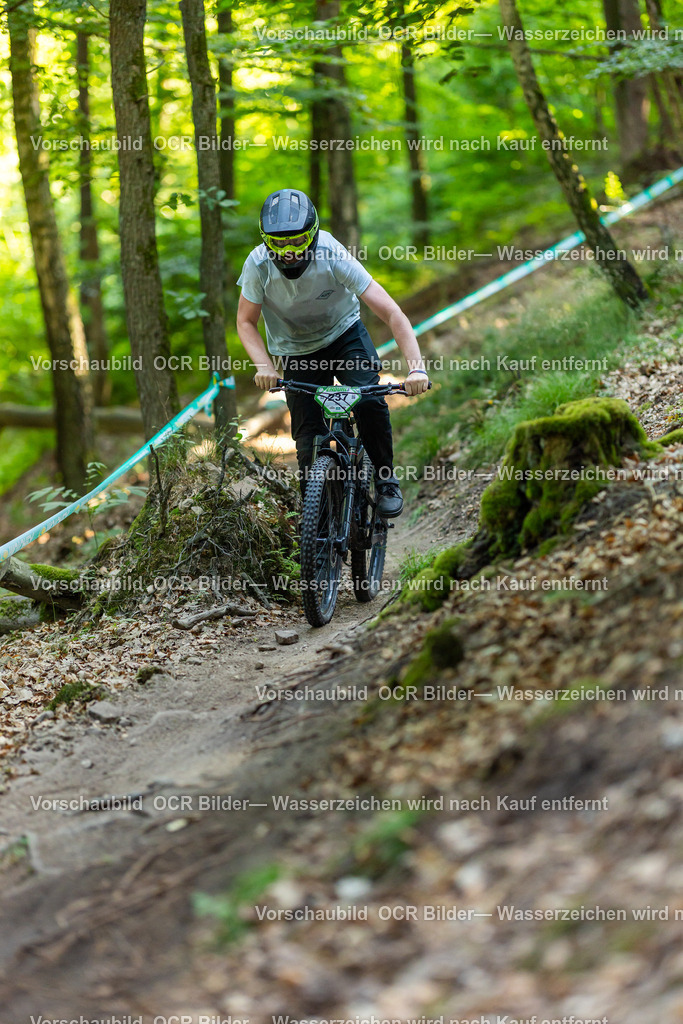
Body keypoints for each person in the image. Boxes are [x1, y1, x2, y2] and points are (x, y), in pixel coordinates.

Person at [236, 187, 430, 517]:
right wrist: (263, 366)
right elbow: (245, 321)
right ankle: (318, 522)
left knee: (368, 400)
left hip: (344, 335)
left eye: (297, 240)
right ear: (265, 240)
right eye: (278, 242)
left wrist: (416, 368)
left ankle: (385, 480)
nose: (288, 251)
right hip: (295, 350)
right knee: (308, 440)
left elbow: (393, 313)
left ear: (311, 234)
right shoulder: (257, 265)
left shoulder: (331, 252)